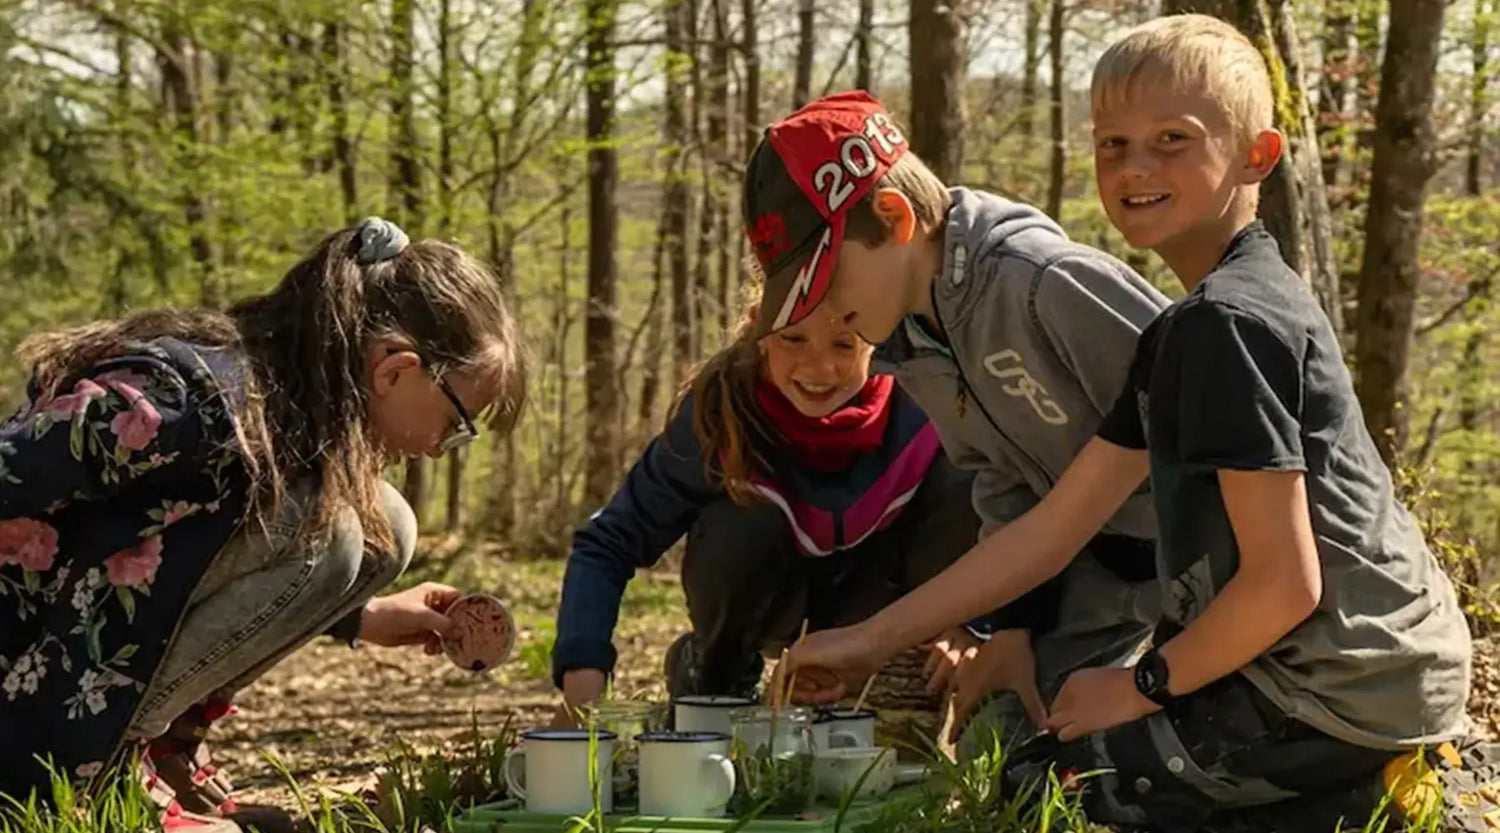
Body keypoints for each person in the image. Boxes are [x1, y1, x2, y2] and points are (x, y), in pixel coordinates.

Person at [782, 16, 1497, 833]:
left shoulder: (1229, 324)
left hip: (1342, 681)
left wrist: (1143, 683)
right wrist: (871, 640)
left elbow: (1284, 581)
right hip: (1339, 666)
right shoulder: (1182, 330)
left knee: (1045, 787)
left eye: (1172, 140)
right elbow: (1051, 529)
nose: (1134, 167)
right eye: (1112, 144)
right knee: (1048, 751)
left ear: (1257, 157)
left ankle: (1363, 788)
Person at [0, 218, 528, 832]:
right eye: (459, 420)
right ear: (393, 370)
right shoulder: (187, 400)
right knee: (333, 527)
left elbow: (194, 544)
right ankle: (101, 771)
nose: (445, 446)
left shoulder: (290, 409)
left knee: (384, 522)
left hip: (85, 651)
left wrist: (361, 616)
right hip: (31, 695)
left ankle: (161, 743)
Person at [737, 89, 1170, 757]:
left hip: (1212, 574)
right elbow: (1005, 481)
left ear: (894, 217)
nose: (820, 309)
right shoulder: (915, 344)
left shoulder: (1042, 283)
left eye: (825, 279)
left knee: (1149, 774)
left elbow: (1207, 422)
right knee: (999, 755)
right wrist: (1013, 628)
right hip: (1097, 580)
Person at [551, 302, 987, 719]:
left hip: (889, 610)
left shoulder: (927, 398)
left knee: (965, 481)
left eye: (843, 345)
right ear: (761, 331)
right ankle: (718, 676)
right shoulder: (721, 412)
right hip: (772, 603)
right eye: (794, 339)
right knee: (739, 521)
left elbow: (1009, 514)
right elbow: (610, 540)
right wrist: (581, 681)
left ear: (878, 335)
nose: (818, 369)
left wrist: (979, 625)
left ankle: (909, 680)